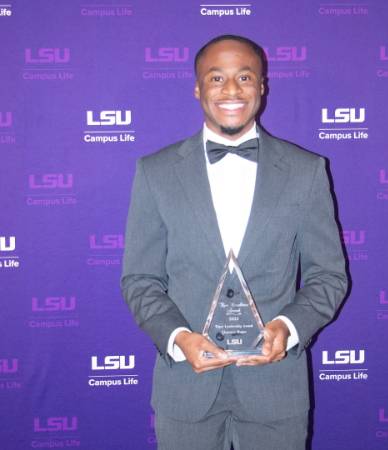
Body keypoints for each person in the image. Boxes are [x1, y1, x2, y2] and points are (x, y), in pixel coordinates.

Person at [121, 34, 348, 450]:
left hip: (276, 391)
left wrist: (289, 328)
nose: (231, 90)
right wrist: (178, 338)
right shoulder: (155, 172)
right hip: (184, 389)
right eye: (216, 78)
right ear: (197, 87)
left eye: (244, 77)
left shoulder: (307, 171)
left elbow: (329, 275)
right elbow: (139, 279)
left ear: (262, 86)